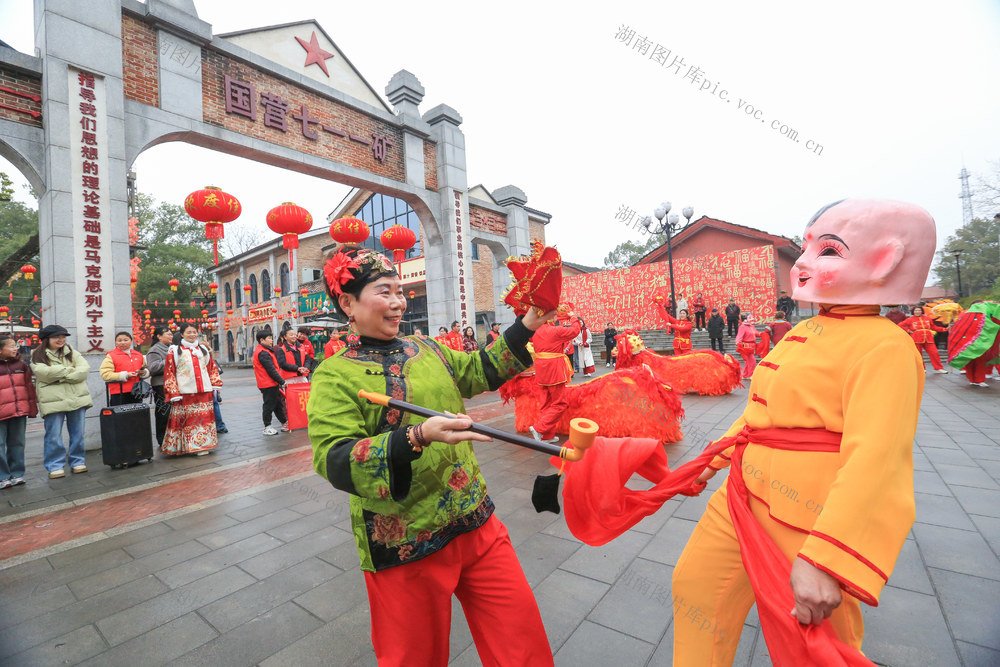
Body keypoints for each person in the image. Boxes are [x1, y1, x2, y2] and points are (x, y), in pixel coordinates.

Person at [672, 199, 936, 664]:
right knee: (695, 592)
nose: (805, 263)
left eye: (829, 251)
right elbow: (757, 416)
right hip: (740, 499)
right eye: (809, 246)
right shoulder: (799, 332)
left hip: (810, 517)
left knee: (813, 645)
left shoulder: (886, 346)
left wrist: (828, 559)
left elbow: (878, 460)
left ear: (885, 261)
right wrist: (706, 461)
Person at [307, 244, 554, 666]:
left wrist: (531, 320)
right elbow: (334, 457)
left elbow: (481, 369)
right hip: (405, 540)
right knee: (414, 658)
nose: (399, 302)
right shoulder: (334, 375)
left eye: (400, 292)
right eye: (385, 292)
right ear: (348, 303)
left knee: (521, 641)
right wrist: (417, 435)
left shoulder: (428, 349)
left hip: (475, 520)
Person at [30, 325, 92, 478]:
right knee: (53, 435)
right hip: (53, 400)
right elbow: (43, 373)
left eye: (63, 336)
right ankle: (55, 465)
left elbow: (84, 370)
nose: (61, 340)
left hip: (76, 397)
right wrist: (69, 370)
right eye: (56, 337)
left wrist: (59, 376)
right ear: (46, 339)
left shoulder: (71, 351)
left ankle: (77, 461)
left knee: (78, 433)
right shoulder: (36, 354)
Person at [162, 323, 222, 456]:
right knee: (188, 421)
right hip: (185, 392)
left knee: (204, 420)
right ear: (182, 334)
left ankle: (203, 445)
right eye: (189, 332)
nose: (192, 335)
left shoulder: (203, 350)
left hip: (204, 391)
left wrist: (215, 384)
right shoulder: (174, 351)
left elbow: (212, 368)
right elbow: (169, 372)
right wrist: (173, 392)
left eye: (194, 332)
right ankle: (187, 447)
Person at [530, 307, 582, 444]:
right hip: (553, 369)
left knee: (546, 403)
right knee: (560, 403)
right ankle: (539, 429)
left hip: (541, 369)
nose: (556, 317)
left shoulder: (536, 331)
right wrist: (573, 317)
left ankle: (547, 435)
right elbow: (575, 330)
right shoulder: (554, 331)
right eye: (554, 315)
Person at [0, 334, 37, 489]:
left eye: (16, 345)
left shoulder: (22, 366)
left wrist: (32, 408)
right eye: (11, 346)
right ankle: (3, 476)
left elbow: (29, 388)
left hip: (19, 410)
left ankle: (17, 474)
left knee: (18, 443)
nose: (16, 348)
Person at [253, 329, 299, 434]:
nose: (271, 340)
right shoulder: (263, 353)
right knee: (269, 405)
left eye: (271, 338)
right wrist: (282, 381)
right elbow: (271, 370)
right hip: (267, 383)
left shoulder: (266, 350)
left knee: (278, 404)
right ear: (261, 340)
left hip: (272, 383)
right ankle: (267, 426)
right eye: (269, 338)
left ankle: (284, 422)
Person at [98, 331, 149, 406]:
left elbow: (145, 369)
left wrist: (143, 372)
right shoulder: (111, 356)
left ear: (131, 341)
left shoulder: (138, 355)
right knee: (121, 416)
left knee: (136, 416)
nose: (123, 342)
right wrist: (125, 375)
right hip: (119, 393)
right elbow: (105, 374)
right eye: (119, 340)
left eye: (126, 340)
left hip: (137, 391)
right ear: (116, 342)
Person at [145, 327, 174, 446]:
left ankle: (172, 439)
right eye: (168, 334)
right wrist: (170, 359)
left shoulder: (171, 348)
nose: (171, 336)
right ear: (159, 336)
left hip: (172, 384)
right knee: (163, 413)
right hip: (161, 385)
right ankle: (162, 439)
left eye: (172, 334)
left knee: (172, 413)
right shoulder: (155, 350)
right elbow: (153, 368)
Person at [898, 305, 948, 373]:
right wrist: (909, 331)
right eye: (916, 310)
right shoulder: (910, 319)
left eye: (919, 310)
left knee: (934, 353)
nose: (917, 312)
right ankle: (921, 368)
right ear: (913, 311)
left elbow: (934, 327)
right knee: (918, 354)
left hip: (928, 338)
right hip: (916, 338)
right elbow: (900, 325)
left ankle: (938, 368)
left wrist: (945, 329)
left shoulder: (927, 318)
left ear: (922, 311)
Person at [199, 334, 228, 434]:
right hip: (205, 383)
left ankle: (218, 425)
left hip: (208, 383)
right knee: (213, 404)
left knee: (213, 403)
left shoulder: (205, 354)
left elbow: (212, 369)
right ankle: (217, 425)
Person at [735, 313, 759, 379]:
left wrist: (763, 334)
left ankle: (745, 375)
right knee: (752, 361)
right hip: (746, 346)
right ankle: (750, 374)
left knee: (748, 361)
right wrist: (738, 342)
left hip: (752, 346)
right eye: (750, 317)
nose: (752, 318)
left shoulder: (751, 326)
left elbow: (756, 333)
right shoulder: (742, 327)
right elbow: (739, 336)